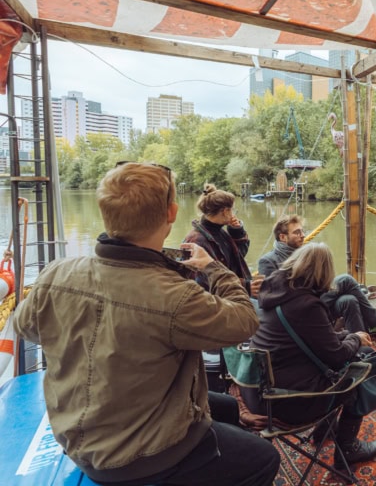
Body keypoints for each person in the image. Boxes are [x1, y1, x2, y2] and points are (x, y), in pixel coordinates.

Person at [13, 162, 279, 486]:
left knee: (223, 405)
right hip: (141, 457)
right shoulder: (175, 296)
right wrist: (214, 269)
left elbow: (25, 326)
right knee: (265, 459)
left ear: (106, 211)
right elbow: (244, 320)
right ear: (171, 213)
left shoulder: (57, 273)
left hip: (77, 437)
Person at [243, 242, 376, 470]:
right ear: (323, 272)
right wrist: (355, 338)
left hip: (259, 392)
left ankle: (324, 430)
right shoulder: (306, 304)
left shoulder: (276, 293)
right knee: (360, 368)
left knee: (338, 361)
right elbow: (336, 357)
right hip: (286, 402)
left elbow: (313, 337)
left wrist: (347, 334)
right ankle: (348, 448)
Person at [259, 215, 376, 342]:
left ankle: (362, 349)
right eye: (297, 232)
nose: (303, 235)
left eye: (302, 231)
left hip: (314, 301)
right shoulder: (268, 261)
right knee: (346, 280)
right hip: (298, 311)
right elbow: (272, 297)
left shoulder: (305, 253)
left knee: (348, 300)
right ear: (283, 237)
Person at [184, 184, 260, 298]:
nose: (233, 214)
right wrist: (245, 286)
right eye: (232, 210)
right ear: (225, 211)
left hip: (233, 294)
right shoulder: (196, 241)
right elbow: (204, 281)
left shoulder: (220, 232)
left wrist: (236, 231)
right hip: (218, 303)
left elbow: (238, 257)